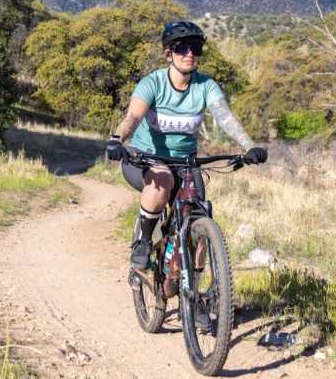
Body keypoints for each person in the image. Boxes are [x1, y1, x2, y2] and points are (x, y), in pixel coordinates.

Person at [105, 21, 267, 270]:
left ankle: (199, 297)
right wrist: (117, 140)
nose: (189, 54)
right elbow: (133, 117)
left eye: (195, 48)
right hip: (144, 158)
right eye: (182, 48)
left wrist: (249, 146)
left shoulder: (205, 86)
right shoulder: (153, 83)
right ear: (168, 54)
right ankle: (144, 241)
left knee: (200, 220)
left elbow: (225, 117)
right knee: (163, 180)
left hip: (186, 162)